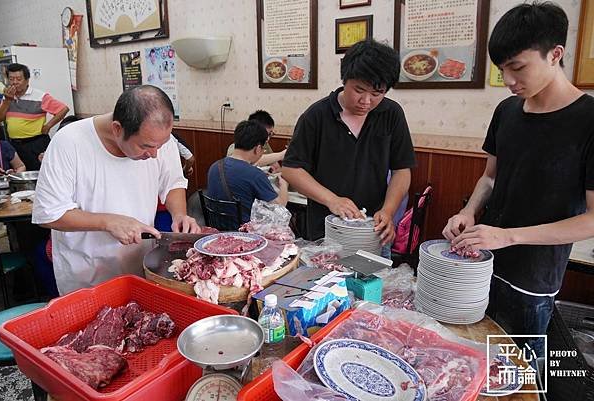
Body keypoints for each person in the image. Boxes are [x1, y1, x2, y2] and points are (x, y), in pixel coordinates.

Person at [442, 2, 594, 357]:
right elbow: (490, 178)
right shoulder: (506, 111)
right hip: (482, 260)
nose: (508, 80)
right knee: (474, 359)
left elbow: (592, 219)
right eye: (502, 69)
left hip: (533, 281)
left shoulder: (588, 121)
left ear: (555, 54)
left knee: (520, 376)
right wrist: (468, 211)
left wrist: (510, 237)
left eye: (517, 67)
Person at [32, 85, 201, 295]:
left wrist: (180, 214)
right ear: (117, 129)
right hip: (87, 276)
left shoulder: (156, 137)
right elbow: (49, 214)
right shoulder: (69, 143)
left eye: (161, 145)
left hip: (140, 267)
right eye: (146, 147)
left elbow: (173, 181)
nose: (155, 154)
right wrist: (109, 222)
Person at [281, 39, 415, 242]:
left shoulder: (392, 113)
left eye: (377, 93)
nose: (366, 101)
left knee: (377, 274)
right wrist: (332, 200)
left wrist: (388, 211)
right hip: (325, 231)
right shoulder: (317, 116)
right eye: (359, 90)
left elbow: (402, 170)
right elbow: (291, 169)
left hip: (373, 229)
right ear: (345, 79)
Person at [208, 120, 288, 222]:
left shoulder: (214, 166)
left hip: (215, 230)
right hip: (243, 234)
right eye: (263, 150)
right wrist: (284, 184)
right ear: (258, 148)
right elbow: (280, 207)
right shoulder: (255, 175)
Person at [0, 63, 69, 170]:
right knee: (17, 175)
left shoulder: (40, 96)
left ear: (27, 80)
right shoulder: (7, 96)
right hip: (14, 145)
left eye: (19, 79)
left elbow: (63, 109)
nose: (15, 82)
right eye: (11, 79)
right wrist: (7, 101)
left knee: (39, 174)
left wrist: (48, 126)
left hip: (35, 144)